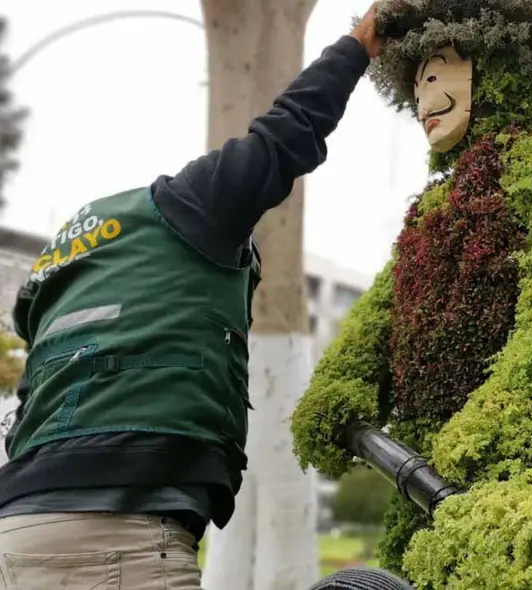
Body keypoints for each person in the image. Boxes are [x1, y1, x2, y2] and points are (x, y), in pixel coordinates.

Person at [0, 4, 383, 588]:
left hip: (15, 527)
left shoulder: (64, 261)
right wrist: (360, 44)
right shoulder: (187, 205)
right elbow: (286, 133)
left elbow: (28, 405)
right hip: (121, 534)